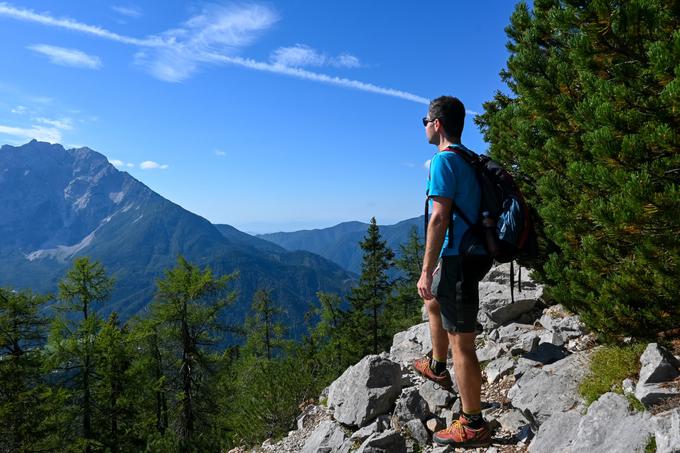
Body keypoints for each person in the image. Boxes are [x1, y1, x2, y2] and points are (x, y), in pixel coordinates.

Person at [413, 96, 493, 447]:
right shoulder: (468, 158)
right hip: (469, 253)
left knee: (463, 343)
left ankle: (472, 423)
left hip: (459, 256)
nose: (424, 126)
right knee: (434, 303)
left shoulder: (443, 161)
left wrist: (426, 269)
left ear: (438, 124)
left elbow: (439, 217)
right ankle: (437, 364)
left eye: (425, 120)